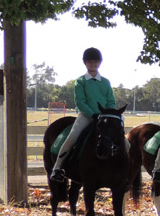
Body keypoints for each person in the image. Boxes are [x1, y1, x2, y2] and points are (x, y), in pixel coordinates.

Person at [50, 47, 118, 182]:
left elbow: (111, 100)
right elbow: (80, 102)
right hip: (86, 116)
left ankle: (124, 168)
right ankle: (57, 168)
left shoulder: (105, 82)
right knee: (72, 137)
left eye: (95, 62)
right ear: (85, 63)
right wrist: (93, 115)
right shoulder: (80, 81)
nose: (93, 64)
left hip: (104, 117)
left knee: (123, 141)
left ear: (100, 62)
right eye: (90, 62)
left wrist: (109, 114)